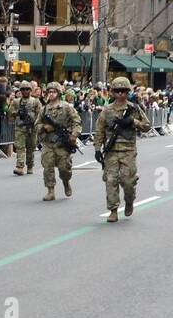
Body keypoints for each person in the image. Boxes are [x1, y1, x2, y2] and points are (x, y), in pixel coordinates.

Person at [93, 75, 152, 223]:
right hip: (111, 151)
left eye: (123, 91)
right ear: (112, 92)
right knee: (111, 180)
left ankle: (129, 200)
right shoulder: (107, 111)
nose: (120, 94)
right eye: (117, 91)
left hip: (128, 151)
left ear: (128, 92)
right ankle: (113, 210)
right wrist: (97, 149)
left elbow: (147, 126)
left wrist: (132, 121)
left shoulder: (133, 108)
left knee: (128, 182)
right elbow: (99, 130)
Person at [38, 81, 79, 202]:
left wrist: (74, 135)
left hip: (62, 144)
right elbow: (37, 124)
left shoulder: (66, 107)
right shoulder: (44, 109)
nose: (51, 94)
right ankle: (50, 191)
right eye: (49, 92)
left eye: (53, 91)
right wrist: (44, 128)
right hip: (48, 143)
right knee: (47, 167)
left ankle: (66, 182)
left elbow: (76, 122)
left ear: (59, 93)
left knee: (64, 168)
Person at [8, 81, 42, 176]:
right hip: (20, 127)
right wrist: (17, 113)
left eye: (27, 89)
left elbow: (40, 114)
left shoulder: (35, 101)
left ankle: (30, 166)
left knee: (31, 148)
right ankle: (20, 166)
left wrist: (34, 121)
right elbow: (10, 114)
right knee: (20, 147)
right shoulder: (16, 102)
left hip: (32, 128)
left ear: (30, 90)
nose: (25, 91)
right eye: (23, 89)